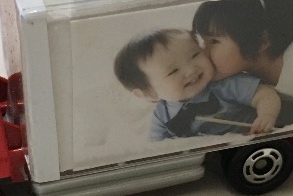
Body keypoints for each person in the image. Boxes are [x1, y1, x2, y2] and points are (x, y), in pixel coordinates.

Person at [113, 28, 282, 141]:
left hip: (253, 138)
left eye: (195, 55)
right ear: (148, 93)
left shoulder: (224, 85)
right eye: (173, 71)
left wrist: (267, 116)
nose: (191, 70)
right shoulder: (162, 115)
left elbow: (265, 94)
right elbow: (158, 148)